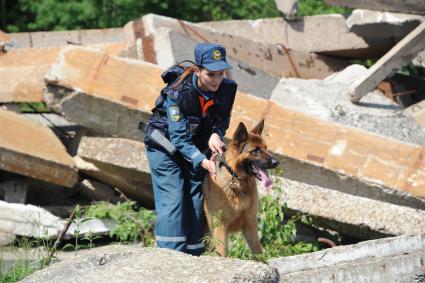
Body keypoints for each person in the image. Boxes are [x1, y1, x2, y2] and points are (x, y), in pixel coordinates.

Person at [144, 43, 237, 256]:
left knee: (197, 198)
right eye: (210, 74)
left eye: (221, 73)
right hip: (164, 147)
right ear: (197, 70)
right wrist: (202, 161)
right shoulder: (178, 93)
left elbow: (222, 119)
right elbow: (178, 138)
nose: (216, 79)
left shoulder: (227, 89)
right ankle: (170, 259)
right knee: (174, 199)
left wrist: (216, 134)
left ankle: (194, 258)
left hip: (197, 146)